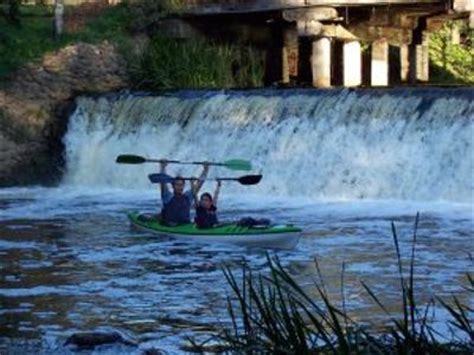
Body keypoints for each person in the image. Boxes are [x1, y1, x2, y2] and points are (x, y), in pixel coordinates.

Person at [159, 161, 209, 225]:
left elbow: (200, 184)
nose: (179, 187)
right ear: (173, 186)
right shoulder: (167, 196)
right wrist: (162, 167)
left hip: (185, 225)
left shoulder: (188, 196)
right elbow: (162, 181)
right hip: (170, 226)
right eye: (177, 185)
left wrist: (205, 170)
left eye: (181, 185)